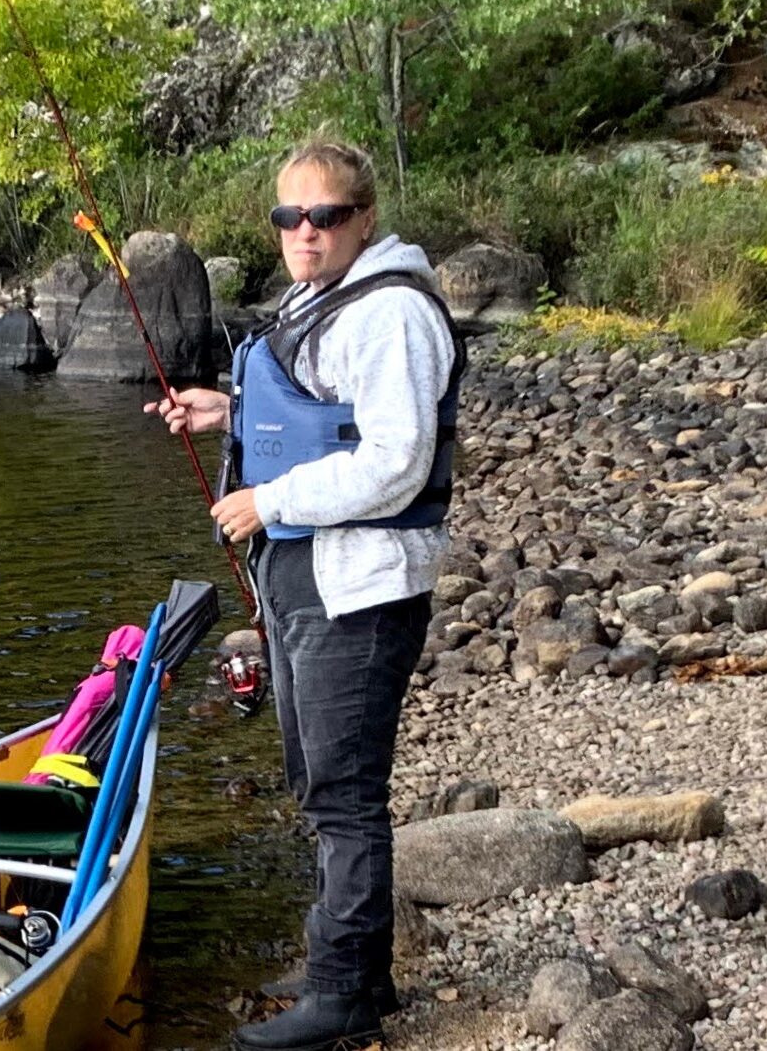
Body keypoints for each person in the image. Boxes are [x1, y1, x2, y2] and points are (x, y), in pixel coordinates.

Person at [147, 139, 463, 1051]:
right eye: (290, 216)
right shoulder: (320, 299)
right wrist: (224, 411)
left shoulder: (394, 311)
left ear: (364, 219)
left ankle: (344, 995)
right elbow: (319, 411)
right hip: (301, 573)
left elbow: (396, 463)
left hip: (358, 590)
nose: (305, 233)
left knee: (344, 794)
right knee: (314, 777)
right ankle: (353, 966)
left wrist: (266, 500)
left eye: (325, 216)